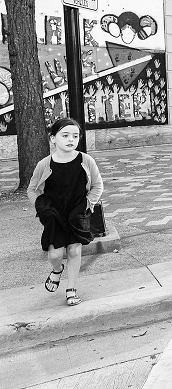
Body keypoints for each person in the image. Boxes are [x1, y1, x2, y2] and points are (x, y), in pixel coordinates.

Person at [27, 118, 104, 306]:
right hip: (55, 213)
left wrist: (88, 203)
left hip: (77, 211)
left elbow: (97, 185)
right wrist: (42, 208)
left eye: (75, 136)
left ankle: (71, 289)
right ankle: (57, 270)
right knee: (55, 254)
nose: (71, 139)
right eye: (65, 135)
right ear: (53, 139)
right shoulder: (44, 164)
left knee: (74, 250)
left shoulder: (86, 160)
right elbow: (32, 189)